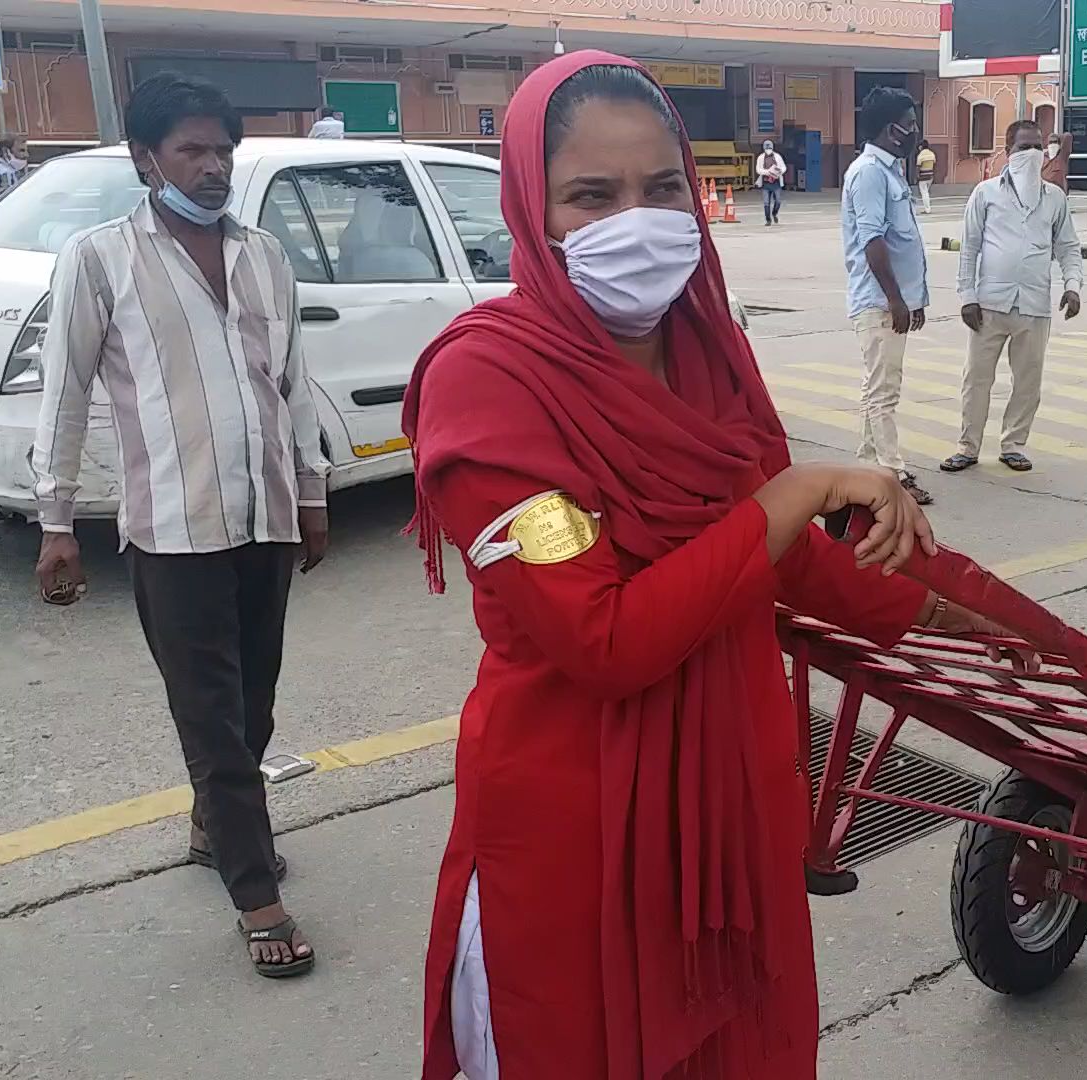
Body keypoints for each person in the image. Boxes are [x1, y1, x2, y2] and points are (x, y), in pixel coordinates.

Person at [400, 52, 1009, 1078]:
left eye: (663, 188)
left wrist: (949, 613)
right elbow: (605, 637)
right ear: (532, 211)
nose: (636, 220)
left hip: (732, 797)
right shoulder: (486, 382)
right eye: (592, 196)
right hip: (575, 822)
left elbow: (781, 565)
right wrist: (801, 491)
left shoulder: (706, 348)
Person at [29, 71, 329, 977]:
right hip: (172, 527)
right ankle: (255, 893)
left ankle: (213, 825)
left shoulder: (263, 256)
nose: (212, 168)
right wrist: (55, 521)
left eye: (222, 151)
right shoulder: (98, 258)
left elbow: (293, 382)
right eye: (191, 150)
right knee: (211, 719)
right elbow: (65, 393)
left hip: (266, 515)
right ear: (144, 157)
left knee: (256, 703)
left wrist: (311, 493)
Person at [942, 119, 1082, 476]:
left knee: (1028, 380)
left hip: (1034, 306)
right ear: (1008, 151)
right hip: (988, 305)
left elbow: (1067, 247)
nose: (1033, 154)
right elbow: (969, 248)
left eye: (1038, 147)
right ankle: (967, 446)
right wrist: (967, 296)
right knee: (976, 378)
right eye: (1024, 147)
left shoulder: (1054, 199)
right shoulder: (986, 193)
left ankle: (1013, 445)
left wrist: (1072, 285)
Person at [842, 86, 932, 505]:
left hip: (893, 301)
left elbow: (902, 242)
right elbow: (873, 241)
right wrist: (895, 300)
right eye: (910, 124)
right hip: (878, 303)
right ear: (890, 129)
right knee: (884, 392)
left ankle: (867, 465)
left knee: (876, 387)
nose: (914, 131)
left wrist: (913, 299)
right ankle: (894, 475)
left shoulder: (890, 170)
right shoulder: (869, 173)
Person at [0, 134, 28, 198]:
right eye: (21, 151)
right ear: (6, 151)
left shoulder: (3, 170)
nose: (26, 155)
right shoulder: (4, 172)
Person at [756, 138, 787, 225]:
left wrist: (780, 171)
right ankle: (768, 220)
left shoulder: (777, 156)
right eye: (766, 148)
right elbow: (758, 170)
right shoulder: (760, 158)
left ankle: (774, 213)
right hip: (766, 182)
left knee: (778, 200)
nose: (768, 150)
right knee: (766, 202)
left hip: (776, 182)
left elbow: (784, 167)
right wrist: (767, 172)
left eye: (769, 148)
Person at [915, 139, 937, 214]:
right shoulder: (932, 154)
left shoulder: (920, 155)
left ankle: (927, 209)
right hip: (930, 176)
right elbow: (934, 164)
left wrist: (917, 177)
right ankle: (927, 208)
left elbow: (918, 167)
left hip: (923, 177)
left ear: (921, 147)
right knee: (926, 192)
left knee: (924, 193)